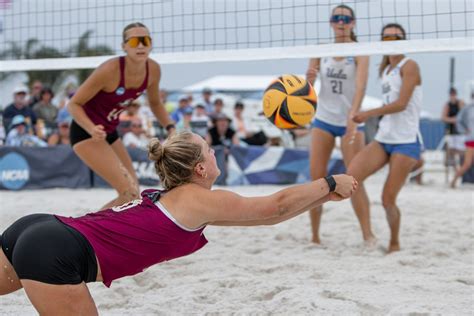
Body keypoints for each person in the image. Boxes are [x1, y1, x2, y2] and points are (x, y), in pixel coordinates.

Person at [0, 131, 358, 314]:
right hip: (58, 252)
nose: (215, 152)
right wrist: (328, 182)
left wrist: (323, 198)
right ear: (200, 168)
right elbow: (274, 206)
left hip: (40, 230)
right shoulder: (196, 199)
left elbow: (265, 219)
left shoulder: (183, 202)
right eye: (210, 150)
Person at [67, 22, 175, 209]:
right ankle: (86, 233)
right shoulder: (110, 70)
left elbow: (156, 103)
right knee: (128, 192)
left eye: (145, 40)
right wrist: (91, 128)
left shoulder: (153, 70)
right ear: (124, 46)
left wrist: (171, 128)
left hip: (109, 132)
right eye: (134, 41)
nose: (140, 45)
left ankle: (92, 230)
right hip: (86, 132)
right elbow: (74, 104)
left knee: (134, 196)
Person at [349, 23, 422, 253]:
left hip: (406, 141)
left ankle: (394, 243)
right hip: (384, 138)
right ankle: (367, 233)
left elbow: (401, 104)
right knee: (351, 177)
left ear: (403, 40)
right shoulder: (386, 71)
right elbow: (390, 104)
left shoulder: (409, 65)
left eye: (395, 37)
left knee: (387, 199)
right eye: (386, 38)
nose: (390, 41)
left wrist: (367, 114)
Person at [305, 4, 372, 244]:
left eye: (345, 18)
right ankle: (314, 237)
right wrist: (308, 80)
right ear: (331, 23)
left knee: (354, 179)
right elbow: (308, 89)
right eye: (336, 18)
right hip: (324, 119)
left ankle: (367, 235)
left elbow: (362, 87)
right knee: (316, 180)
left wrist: (353, 117)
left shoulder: (360, 51)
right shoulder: (322, 50)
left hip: (350, 120)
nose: (341, 22)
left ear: (353, 23)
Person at [442, 87, 465, 180]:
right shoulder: (447, 105)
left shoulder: (460, 103)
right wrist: (453, 120)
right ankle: (456, 171)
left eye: (454, 94)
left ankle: (461, 171)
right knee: (450, 152)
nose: (453, 96)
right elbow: (443, 117)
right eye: (451, 94)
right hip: (451, 132)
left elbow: (464, 115)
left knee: (462, 153)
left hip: (460, 133)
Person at [450, 96, 474, 188]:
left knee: (468, 163)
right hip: (471, 139)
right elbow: (458, 120)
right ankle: (453, 181)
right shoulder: (468, 108)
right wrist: (463, 130)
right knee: (467, 163)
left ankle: (454, 181)